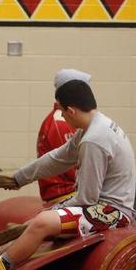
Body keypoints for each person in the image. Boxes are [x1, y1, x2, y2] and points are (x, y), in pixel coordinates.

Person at [0, 80, 136, 270]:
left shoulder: (93, 140)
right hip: (101, 207)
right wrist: (19, 178)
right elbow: (57, 158)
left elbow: (87, 198)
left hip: (112, 213)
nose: (61, 116)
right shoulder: (95, 126)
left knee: (41, 222)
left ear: (71, 111)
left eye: (62, 111)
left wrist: (54, 210)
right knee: (36, 221)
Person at [36, 69, 91, 203]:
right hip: (65, 193)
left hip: (71, 191)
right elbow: (71, 166)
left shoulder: (66, 119)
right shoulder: (62, 122)